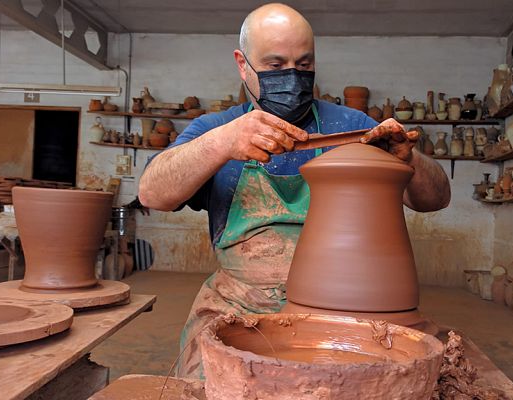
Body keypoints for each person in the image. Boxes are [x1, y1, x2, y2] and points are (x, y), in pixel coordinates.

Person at [138, 3, 451, 378]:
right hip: (240, 305)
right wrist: (221, 144)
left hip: (344, 310)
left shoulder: (354, 126)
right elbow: (152, 194)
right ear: (243, 64)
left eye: (303, 65)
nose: (291, 76)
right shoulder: (217, 128)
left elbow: (435, 199)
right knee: (216, 379)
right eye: (274, 65)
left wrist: (409, 160)